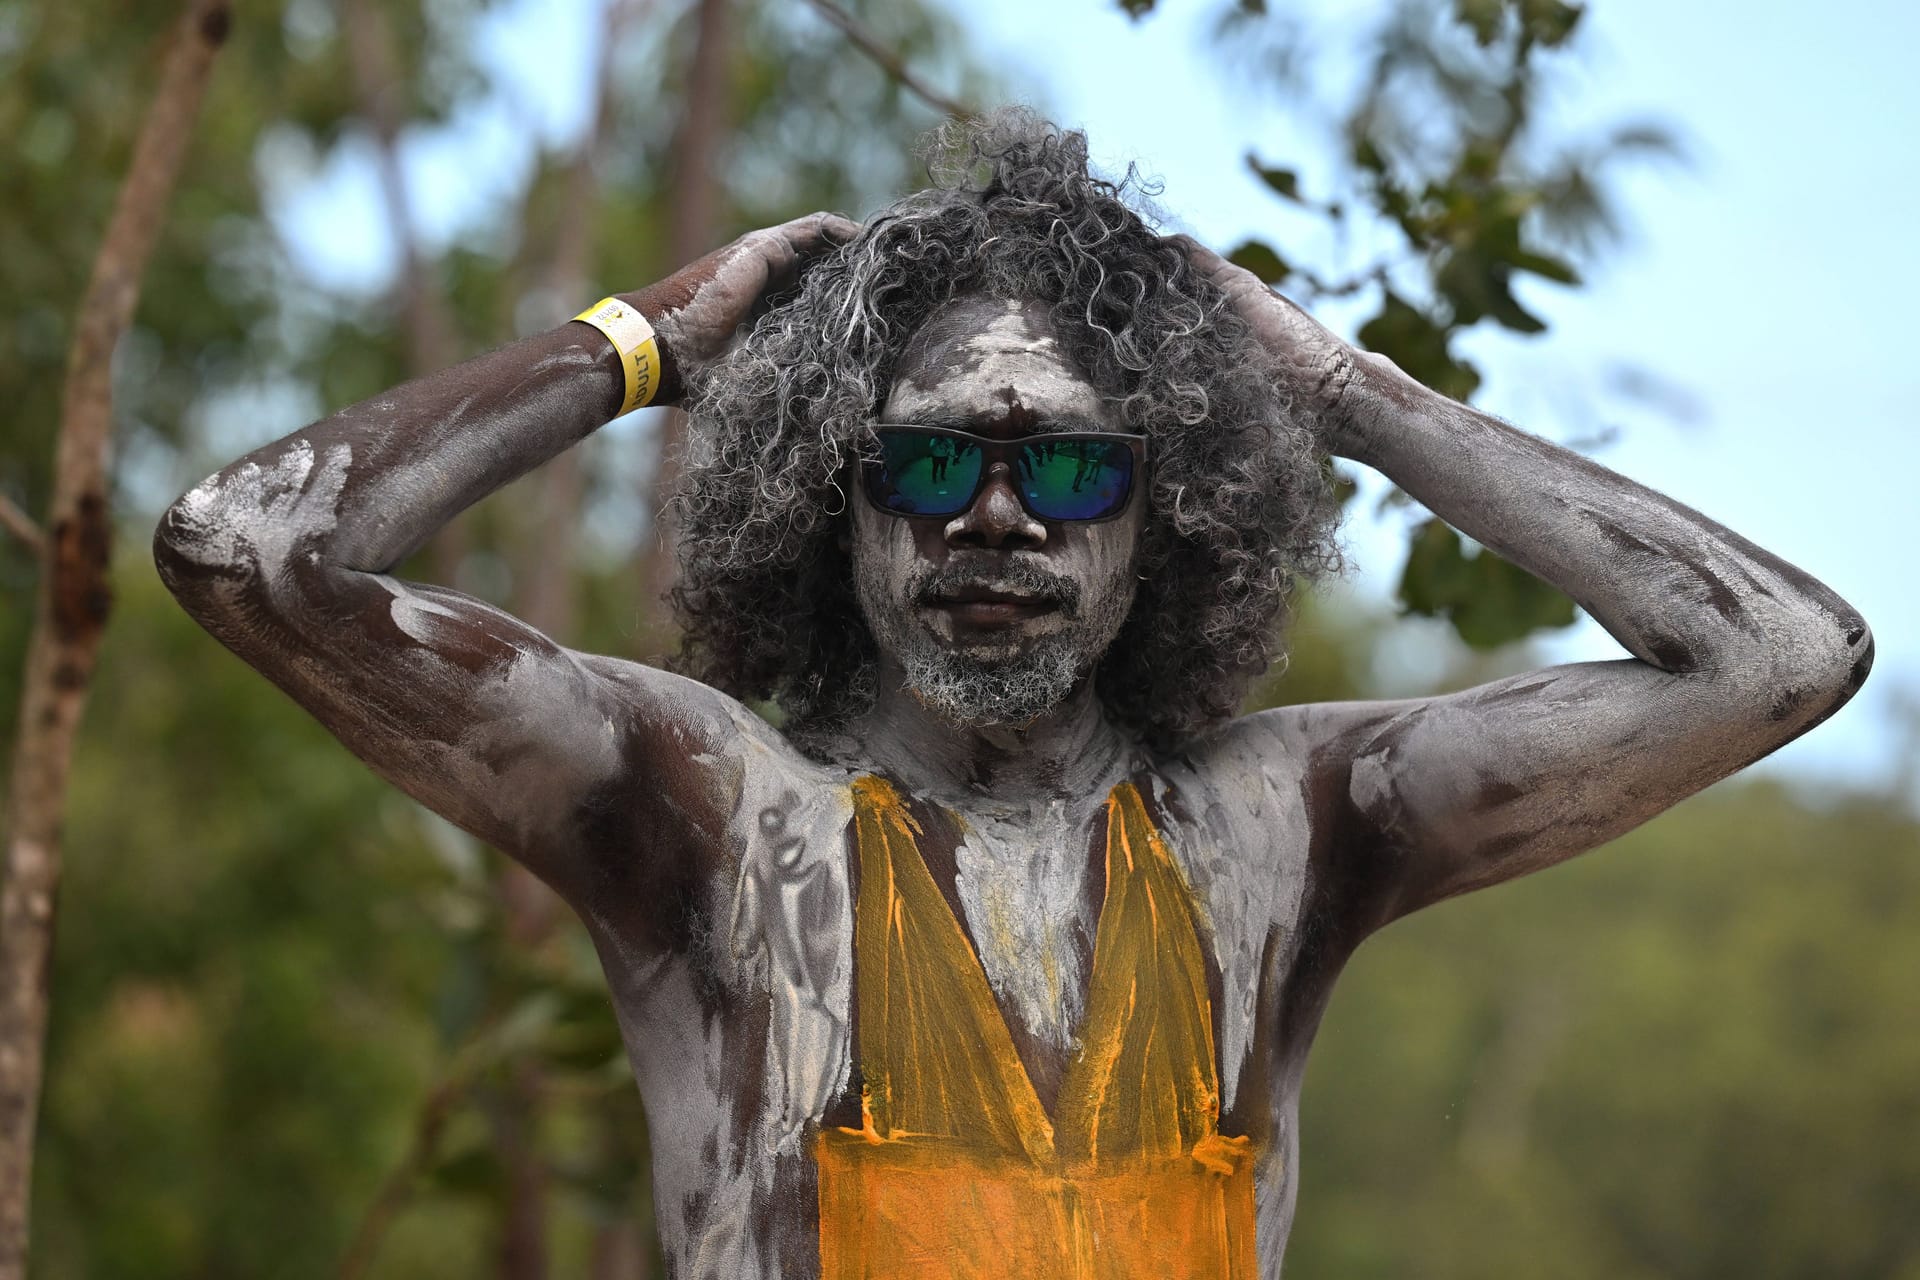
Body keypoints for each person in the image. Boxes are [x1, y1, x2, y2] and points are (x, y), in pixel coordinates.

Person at [154, 114, 1871, 1279]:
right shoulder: (704, 813)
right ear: (832, 503)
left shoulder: (1292, 827)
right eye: (925, 464)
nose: (995, 516)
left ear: (1170, 508)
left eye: (1065, 466)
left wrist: (1345, 393)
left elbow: (1784, 657)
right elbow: (245, 550)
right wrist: (645, 344)